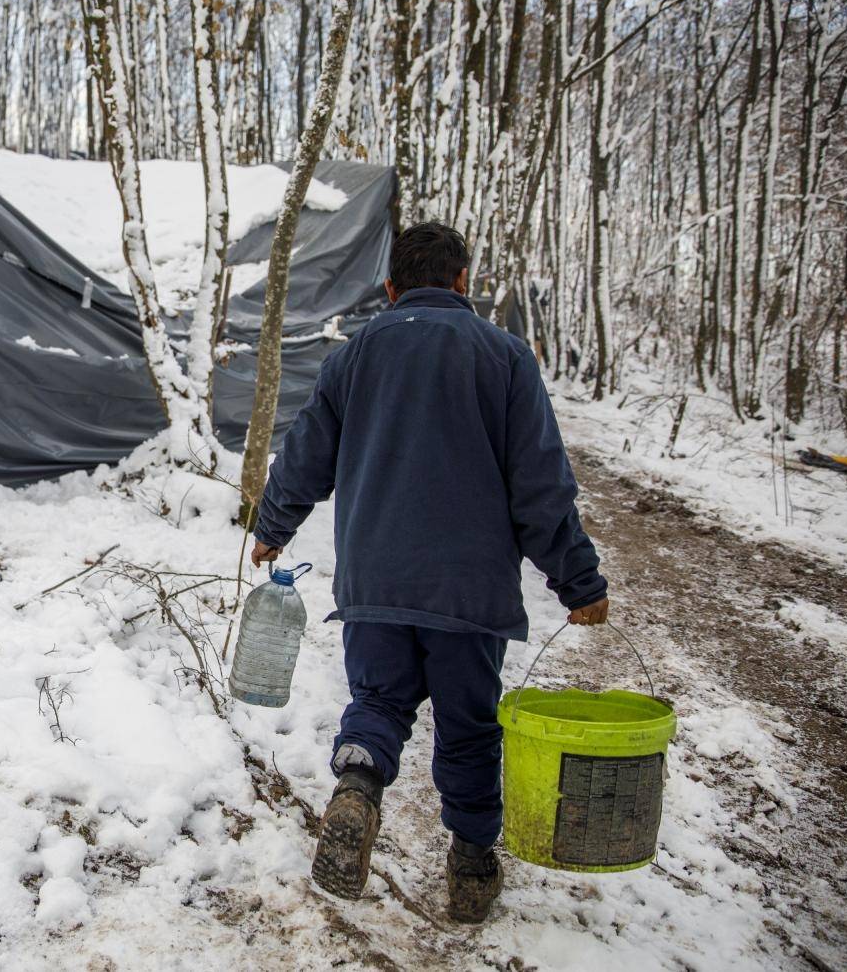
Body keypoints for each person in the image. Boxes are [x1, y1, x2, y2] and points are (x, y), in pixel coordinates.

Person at [249, 222, 609, 923]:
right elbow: (541, 487)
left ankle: (357, 782)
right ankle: (471, 867)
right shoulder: (505, 357)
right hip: (468, 593)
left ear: (390, 287)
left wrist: (272, 526)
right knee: (468, 728)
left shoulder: (355, 358)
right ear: (462, 282)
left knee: (379, 702)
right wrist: (579, 580)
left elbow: (306, 454)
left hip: (374, 583)